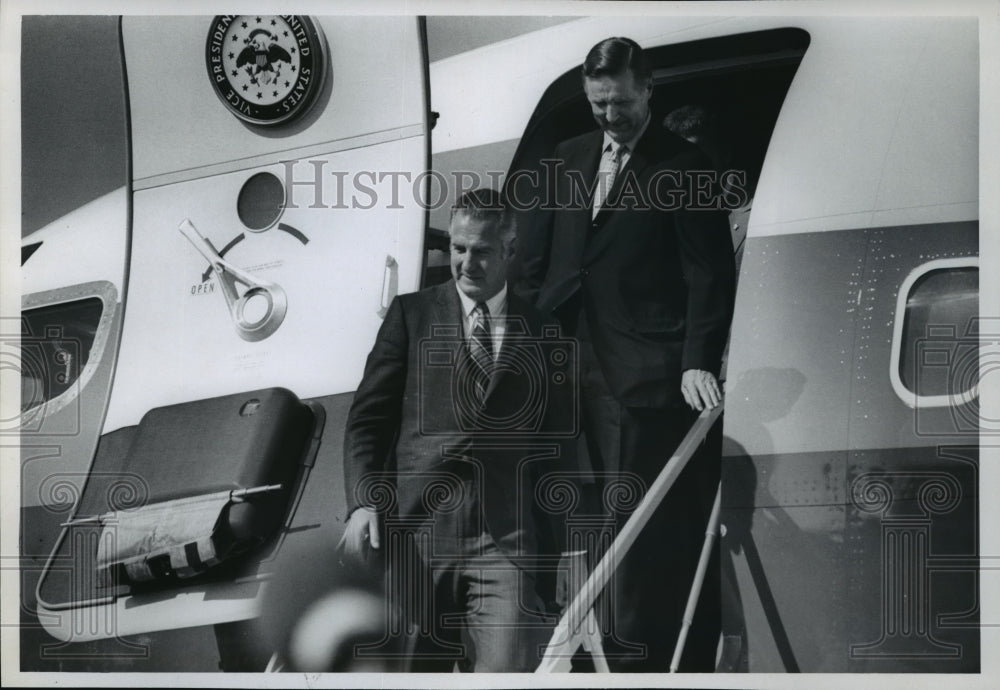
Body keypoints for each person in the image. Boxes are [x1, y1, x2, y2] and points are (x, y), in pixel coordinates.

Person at [517, 37, 736, 671]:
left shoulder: (685, 166)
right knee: (569, 519)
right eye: (596, 103)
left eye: (617, 102)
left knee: (632, 526)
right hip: (565, 367)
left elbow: (708, 273)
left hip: (640, 373)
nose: (608, 116)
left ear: (647, 89)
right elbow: (532, 263)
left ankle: (638, 659)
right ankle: (581, 651)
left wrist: (697, 358)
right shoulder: (565, 159)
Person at [341, 188, 578, 672]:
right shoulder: (411, 316)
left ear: (510, 251)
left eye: (482, 251)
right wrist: (363, 502)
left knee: (507, 672)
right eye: (458, 248)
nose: (466, 263)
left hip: (506, 541)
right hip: (418, 533)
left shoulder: (542, 329)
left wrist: (571, 545)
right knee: (407, 675)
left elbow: (559, 449)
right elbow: (367, 419)